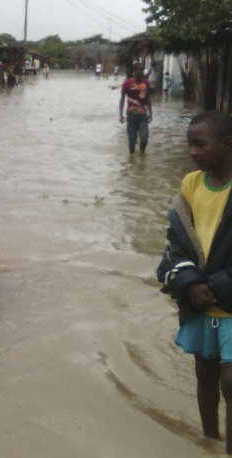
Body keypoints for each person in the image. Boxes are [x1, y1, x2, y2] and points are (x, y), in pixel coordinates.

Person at [156, 110, 232, 454]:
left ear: (227, 145)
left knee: (230, 381)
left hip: (227, 302)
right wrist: (188, 283)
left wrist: (217, 287)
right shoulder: (190, 184)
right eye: (190, 145)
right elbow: (177, 240)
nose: (193, 152)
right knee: (205, 372)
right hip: (200, 300)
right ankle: (209, 440)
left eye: (200, 145)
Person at [119, 64, 152, 154]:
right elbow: (122, 99)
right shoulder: (127, 83)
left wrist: (151, 113)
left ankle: (142, 155)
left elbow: (148, 98)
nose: (139, 72)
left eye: (141, 70)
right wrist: (121, 114)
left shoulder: (146, 83)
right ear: (133, 72)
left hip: (143, 116)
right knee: (131, 141)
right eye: (137, 70)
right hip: (131, 116)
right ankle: (132, 159)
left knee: (144, 138)